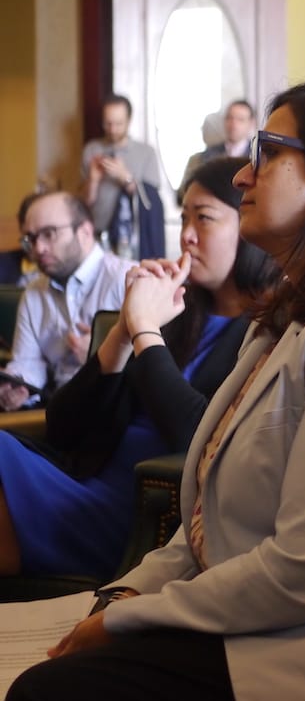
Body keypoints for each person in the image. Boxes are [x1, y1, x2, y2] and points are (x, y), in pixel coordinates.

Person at [5, 80, 305, 701]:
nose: (244, 177)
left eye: (268, 151)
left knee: (46, 694)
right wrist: (121, 596)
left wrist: (126, 621)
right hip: (262, 618)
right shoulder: (294, 317)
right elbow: (202, 525)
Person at [0, 156, 276, 580]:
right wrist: (124, 329)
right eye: (183, 218)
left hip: (148, 516)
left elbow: (197, 436)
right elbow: (63, 427)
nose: (186, 236)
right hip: (83, 483)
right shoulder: (178, 314)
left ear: (250, 227)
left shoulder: (267, 332)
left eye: (203, 219)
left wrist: (146, 328)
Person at [0, 192, 135, 410]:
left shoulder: (128, 280)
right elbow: (29, 362)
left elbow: (156, 370)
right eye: (31, 239)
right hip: (53, 413)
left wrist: (102, 356)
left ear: (85, 231)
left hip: (115, 414)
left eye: (49, 234)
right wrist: (19, 385)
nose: (38, 249)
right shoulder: (33, 293)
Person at [81, 94, 164, 259]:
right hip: (97, 239)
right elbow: (83, 204)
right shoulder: (91, 150)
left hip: (135, 242)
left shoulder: (146, 152)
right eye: (108, 123)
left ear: (129, 120)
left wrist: (125, 177)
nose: (112, 129)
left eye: (118, 124)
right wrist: (94, 181)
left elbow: (150, 203)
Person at [178, 100, 257, 202]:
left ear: (251, 123)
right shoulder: (202, 158)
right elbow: (183, 193)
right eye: (229, 118)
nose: (233, 124)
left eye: (240, 120)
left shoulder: (259, 157)